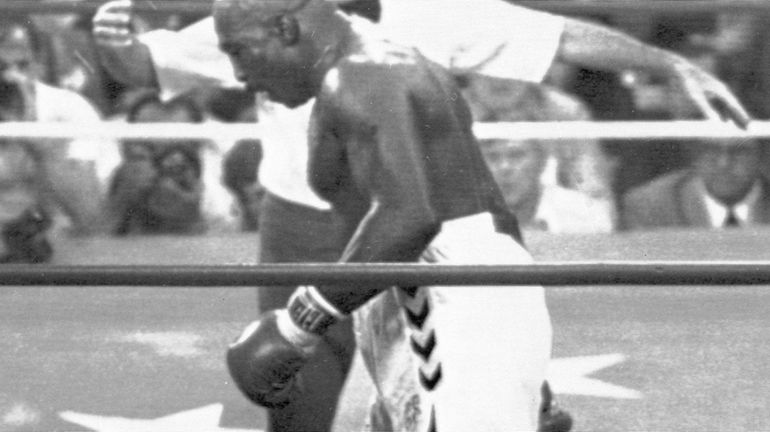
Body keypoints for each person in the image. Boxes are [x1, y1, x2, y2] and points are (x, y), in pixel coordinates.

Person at [92, 1, 750, 431]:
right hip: (312, 227)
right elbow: (147, 66)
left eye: (247, 64)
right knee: (334, 410)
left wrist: (664, 61)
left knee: (447, 399)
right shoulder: (259, 19)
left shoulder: (418, 28)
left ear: (291, 32)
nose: (244, 80)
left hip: (414, 239)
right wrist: (113, 40)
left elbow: (558, 40)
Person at [214, 0, 550, 430]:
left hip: (449, 302)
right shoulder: (372, 69)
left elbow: (409, 216)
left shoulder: (364, 77)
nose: (239, 76)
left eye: (239, 50)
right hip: (434, 300)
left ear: (284, 27)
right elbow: (493, 209)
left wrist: (299, 322)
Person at [0, 15, 114, 236]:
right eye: (1, 66)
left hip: (57, 243)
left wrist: (41, 145)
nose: (11, 76)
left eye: (21, 65)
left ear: (37, 64)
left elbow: (90, 219)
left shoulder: (70, 109)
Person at [463, 75, 617, 233]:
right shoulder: (444, 110)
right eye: (490, 70)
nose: (500, 80)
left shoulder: (565, 112)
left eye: (511, 66)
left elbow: (594, 194)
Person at [107, 91, 240, 234]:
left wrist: (189, 220)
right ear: (127, 147)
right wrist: (120, 204)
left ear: (198, 148)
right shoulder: (105, 176)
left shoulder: (217, 196)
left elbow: (229, 248)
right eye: (150, 148)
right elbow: (90, 245)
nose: (165, 162)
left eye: (177, 149)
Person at [620, 138, 770, 230]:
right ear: (695, 154)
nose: (723, 163)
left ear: (762, 155)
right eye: (711, 150)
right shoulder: (650, 206)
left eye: (739, 151)